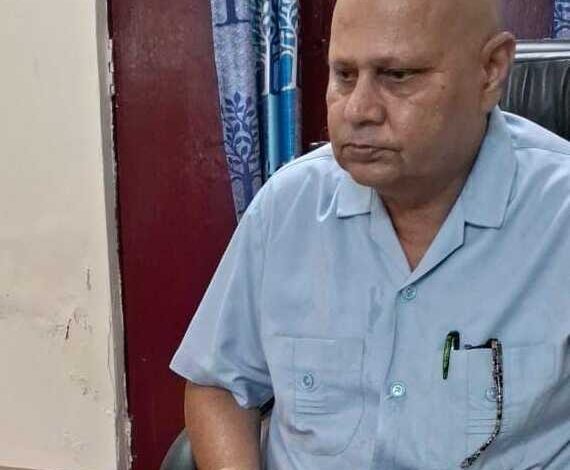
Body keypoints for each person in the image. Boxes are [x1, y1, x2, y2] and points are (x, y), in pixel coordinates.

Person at [171, 0, 570, 468]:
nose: (358, 109)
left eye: (397, 75)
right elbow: (219, 385)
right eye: (344, 75)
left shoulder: (558, 215)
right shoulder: (289, 206)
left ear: (490, 71)